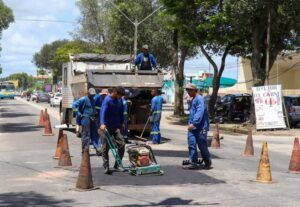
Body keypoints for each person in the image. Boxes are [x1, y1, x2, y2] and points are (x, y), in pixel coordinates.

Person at [99, 87, 126, 174]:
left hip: (116, 126)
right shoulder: (107, 100)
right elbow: (102, 112)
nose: (120, 97)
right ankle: (106, 166)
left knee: (121, 144)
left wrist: (122, 122)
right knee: (105, 147)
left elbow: (121, 111)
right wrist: (102, 123)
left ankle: (117, 164)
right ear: (115, 92)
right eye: (119, 95)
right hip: (106, 127)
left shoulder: (120, 100)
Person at [186, 84, 212, 169]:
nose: (188, 92)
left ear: (195, 90)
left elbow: (200, 112)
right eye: (187, 90)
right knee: (191, 144)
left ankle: (207, 162)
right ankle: (193, 162)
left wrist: (194, 123)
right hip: (192, 127)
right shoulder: (193, 99)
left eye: (190, 90)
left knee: (202, 146)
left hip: (200, 127)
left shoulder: (200, 99)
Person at [72, 88, 101, 155]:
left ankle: (98, 148)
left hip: (92, 119)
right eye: (91, 94)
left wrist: (95, 113)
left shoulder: (93, 100)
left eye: (93, 95)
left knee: (95, 134)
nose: (92, 96)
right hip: (85, 119)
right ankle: (85, 149)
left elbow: (93, 108)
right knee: (86, 135)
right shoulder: (84, 99)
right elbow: (74, 105)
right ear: (88, 93)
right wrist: (79, 114)